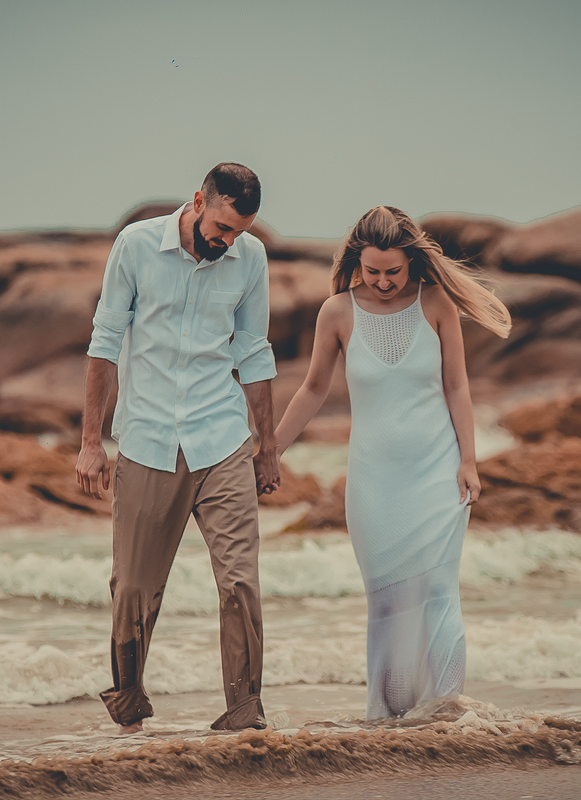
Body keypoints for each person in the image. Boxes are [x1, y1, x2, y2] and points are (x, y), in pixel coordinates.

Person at [273, 206, 511, 718]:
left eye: (393, 271)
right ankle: (388, 722)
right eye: (372, 270)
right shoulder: (336, 312)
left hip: (438, 471)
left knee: (440, 592)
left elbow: (457, 386)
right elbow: (314, 389)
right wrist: (271, 450)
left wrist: (469, 460)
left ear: (413, 265)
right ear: (357, 262)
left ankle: (447, 717)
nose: (382, 281)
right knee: (386, 604)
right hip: (374, 482)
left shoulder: (437, 304)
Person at [76, 163, 281, 734]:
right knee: (135, 589)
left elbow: (256, 354)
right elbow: (105, 343)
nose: (227, 241)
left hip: (223, 441)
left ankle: (244, 714)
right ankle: (129, 710)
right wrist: (91, 442)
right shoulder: (136, 246)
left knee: (240, 581)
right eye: (221, 227)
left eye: (238, 232)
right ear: (198, 200)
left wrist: (267, 449)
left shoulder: (251, 259)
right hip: (148, 442)